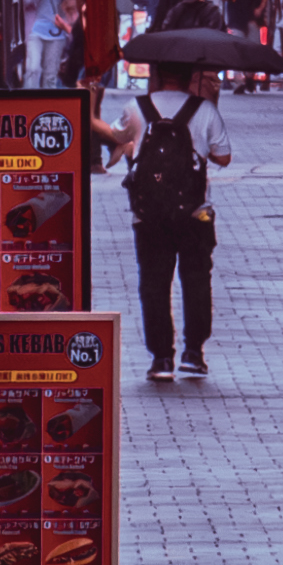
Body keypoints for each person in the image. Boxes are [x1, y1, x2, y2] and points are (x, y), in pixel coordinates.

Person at [106, 63, 232, 382]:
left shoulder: (136, 108)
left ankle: (161, 358)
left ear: (157, 76)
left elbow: (116, 136)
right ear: (191, 77)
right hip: (195, 213)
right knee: (196, 280)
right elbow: (224, 156)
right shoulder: (203, 109)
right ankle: (193, 353)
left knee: (153, 284)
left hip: (147, 216)